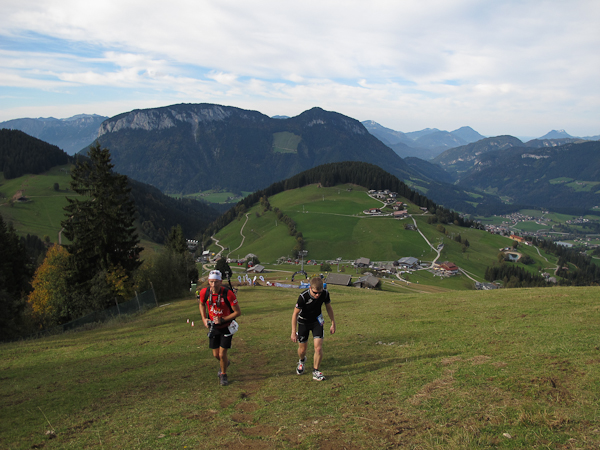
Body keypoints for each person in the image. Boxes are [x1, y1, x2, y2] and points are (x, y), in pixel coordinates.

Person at [199, 269, 241, 386]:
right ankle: (225, 363)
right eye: (211, 282)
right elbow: (201, 304)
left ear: (220, 282)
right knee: (216, 355)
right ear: (208, 281)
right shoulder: (204, 292)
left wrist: (222, 319)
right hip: (214, 327)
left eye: (216, 282)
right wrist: (204, 318)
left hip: (227, 326)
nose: (213, 285)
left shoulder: (228, 294)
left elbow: (237, 312)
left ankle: (223, 374)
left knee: (222, 354)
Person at [290, 277, 336, 381]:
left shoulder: (325, 294)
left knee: (318, 348)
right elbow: (295, 314)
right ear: (310, 288)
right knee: (302, 350)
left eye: (319, 293)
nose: (317, 295)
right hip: (303, 323)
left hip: (317, 322)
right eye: (315, 293)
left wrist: (333, 323)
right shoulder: (303, 297)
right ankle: (302, 361)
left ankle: (316, 371)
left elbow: (328, 307)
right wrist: (293, 332)